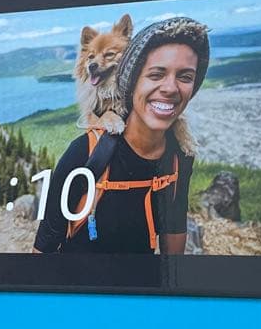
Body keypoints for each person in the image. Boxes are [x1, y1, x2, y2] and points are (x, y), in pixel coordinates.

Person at [33, 17, 210, 255]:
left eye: (185, 77)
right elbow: (45, 243)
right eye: (156, 75)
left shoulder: (180, 155)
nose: (170, 88)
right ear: (132, 77)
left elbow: (174, 227)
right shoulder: (85, 152)